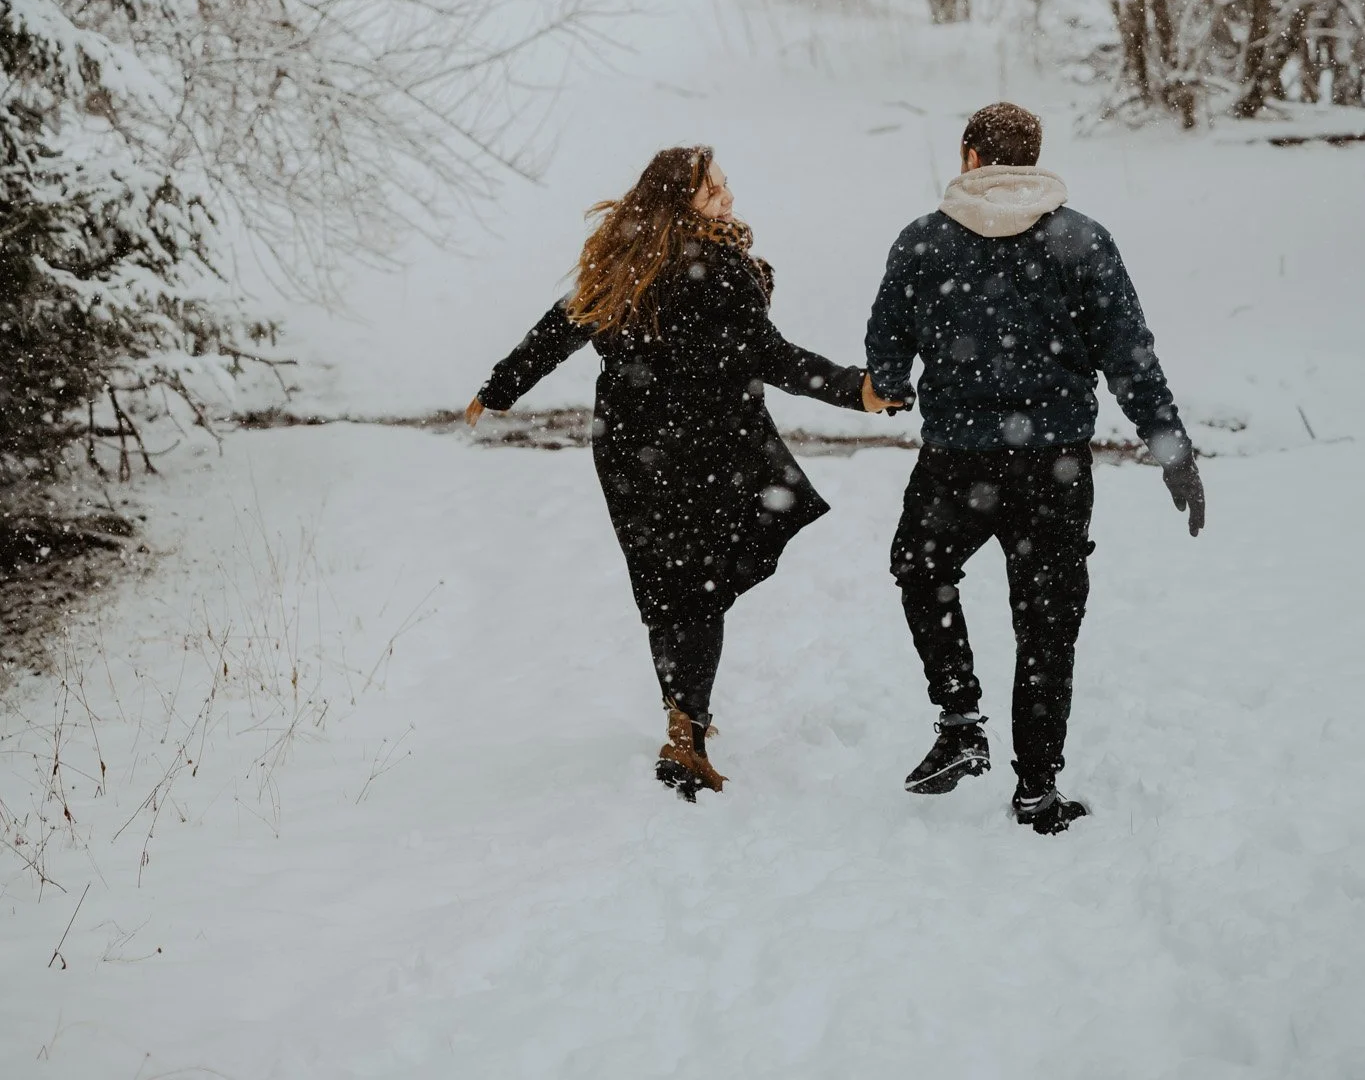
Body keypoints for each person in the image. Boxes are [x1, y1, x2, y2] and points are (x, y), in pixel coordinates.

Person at [467, 145, 897, 801]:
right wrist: (855, 392)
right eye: (711, 191)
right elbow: (770, 356)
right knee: (698, 587)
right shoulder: (719, 268)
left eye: (724, 185)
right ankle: (686, 727)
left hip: (631, 447)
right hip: (708, 447)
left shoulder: (625, 259)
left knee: (666, 583)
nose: (726, 197)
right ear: (680, 203)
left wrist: (499, 389)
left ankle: (682, 713)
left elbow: (560, 327)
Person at [865, 101, 1205, 835]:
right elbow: (1128, 354)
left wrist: (891, 380)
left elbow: (886, 335)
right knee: (1047, 627)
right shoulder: (1079, 238)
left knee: (920, 571)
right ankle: (1036, 792)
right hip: (1051, 467)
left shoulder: (924, 241)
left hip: (955, 461)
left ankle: (959, 718)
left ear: (968, 156)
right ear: (1032, 156)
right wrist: (1170, 449)